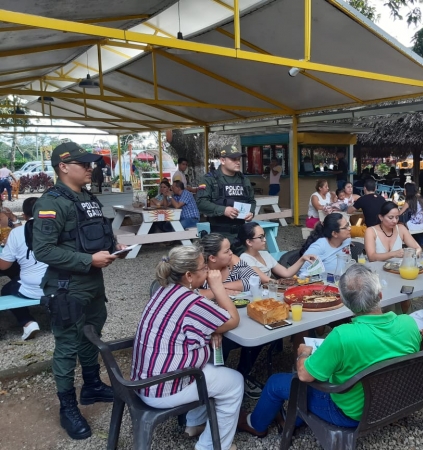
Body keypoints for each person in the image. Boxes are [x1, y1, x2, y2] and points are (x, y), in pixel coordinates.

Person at [236, 264, 422, 437]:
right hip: (396, 401)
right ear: (380, 295)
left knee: (276, 382)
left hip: (350, 413)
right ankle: (291, 419)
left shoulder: (342, 336)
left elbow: (305, 376)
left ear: (345, 303)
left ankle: (255, 424)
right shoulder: (408, 323)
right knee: (327, 371)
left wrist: (303, 353)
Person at [32, 141, 129, 440]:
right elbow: (43, 250)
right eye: (83, 164)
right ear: (63, 167)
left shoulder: (87, 197)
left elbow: (96, 231)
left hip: (92, 283)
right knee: (67, 347)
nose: (90, 168)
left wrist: (115, 247)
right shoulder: (51, 203)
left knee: (92, 334)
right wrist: (88, 260)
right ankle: (68, 407)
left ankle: (91, 386)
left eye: (90, 164)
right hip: (67, 287)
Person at [131, 245, 242, 450]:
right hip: (163, 388)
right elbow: (232, 320)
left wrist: (211, 329)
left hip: (142, 380)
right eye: (204, 268)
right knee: (235, 382)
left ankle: (195, 424)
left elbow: (192, 325)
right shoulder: (192, 302)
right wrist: (218, 288)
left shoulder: (163, 289)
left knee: (210, 363)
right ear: (189, 275)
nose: (208, 271)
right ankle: (210, 446)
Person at [198, 233, 264, 399]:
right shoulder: (199, 270)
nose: (231, 253)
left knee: (258, 333)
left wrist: (220, 287)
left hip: (238, 314)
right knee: (219, 342)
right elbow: (194, 294)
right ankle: (215, 386)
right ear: (212, 258)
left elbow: (254, 279)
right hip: (213, 323)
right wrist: (218, 291)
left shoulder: (231, 260)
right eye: (226, 251)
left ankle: (243, 373)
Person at [0, 197, 48, 340]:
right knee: (19, 275)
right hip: (62, 284)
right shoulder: (58, 228)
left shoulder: (17, 233)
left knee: (6, 290)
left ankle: (27, 322)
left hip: (34, 288)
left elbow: (4, 265)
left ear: (25, 215)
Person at [197, 144, 255, 255]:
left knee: (244, 266)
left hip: (241, 233)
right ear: (222, 160)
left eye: (239, 159)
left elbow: (251, 201)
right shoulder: (209, 179)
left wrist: (251, 212)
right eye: (233, 159)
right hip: (219, 234)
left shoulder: (244, 180)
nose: (238, 162)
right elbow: (200, 202)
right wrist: (224, 210)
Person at [239, 222, 316, 282]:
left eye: (264, 236)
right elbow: (265, 279)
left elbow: (286, 273)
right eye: (260, 237)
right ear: (249, 242)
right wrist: (284, 283)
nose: (265, 240)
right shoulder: (245, 258)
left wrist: (302, 259)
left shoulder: (265, 254)